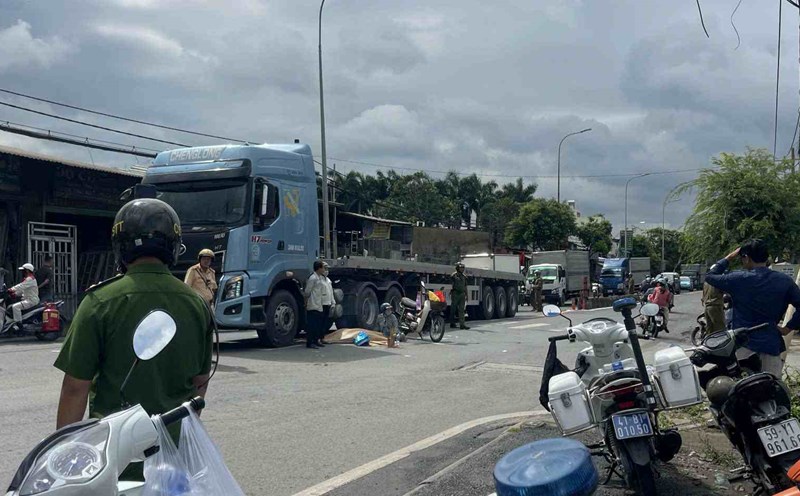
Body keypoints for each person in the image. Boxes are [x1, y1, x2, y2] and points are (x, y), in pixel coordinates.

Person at [54, 199, 213, 458]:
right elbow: (200, 383)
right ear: (173, 247)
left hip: (114, 453)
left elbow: (75, 387)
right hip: (177, 449)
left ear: (121, 247)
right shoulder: (197, 304)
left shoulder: (99, 301)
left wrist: (62, 455)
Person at [705, 239, 800, 377]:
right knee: (770, 391)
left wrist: (728, 258)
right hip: (771, 346)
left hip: (743, 347)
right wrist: (787, 328)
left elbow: (710, 276)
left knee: (741, 392)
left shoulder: (738, 279)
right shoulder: (784, 281)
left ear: (746, 258)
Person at [305, 261, 333, 349]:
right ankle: (310, 342)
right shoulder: (313, 278)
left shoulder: (320, 278)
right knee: (312, 324)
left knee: (317, 324)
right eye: (323, 268)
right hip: (313, 304)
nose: (324, 270)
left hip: (318, 304)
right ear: (319, 268)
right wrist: (306, 302)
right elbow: (307, 292)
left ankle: (316, 340)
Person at [8, 263, 39, 331]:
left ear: (27, 271)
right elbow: (23, 291)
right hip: (27, 300)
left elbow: (21, 286)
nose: (22, 272)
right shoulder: (28, 279)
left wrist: (11, 289)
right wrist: (15, 294)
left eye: (23, 271)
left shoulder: (30, 279)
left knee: (15, 307)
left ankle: (19, 326)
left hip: (31, 300)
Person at [450, 262, 469, 329]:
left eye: (463, 268)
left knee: (461, 310)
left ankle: (462, 324)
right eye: (460, 268)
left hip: (462, 294)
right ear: (457, 268)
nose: (462, 269)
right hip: (455, 293)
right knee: (453, 309)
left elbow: (465, 286)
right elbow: (451, 283)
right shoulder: (454, 275)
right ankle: (452, 323)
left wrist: (467, 295)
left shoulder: (464, 277)